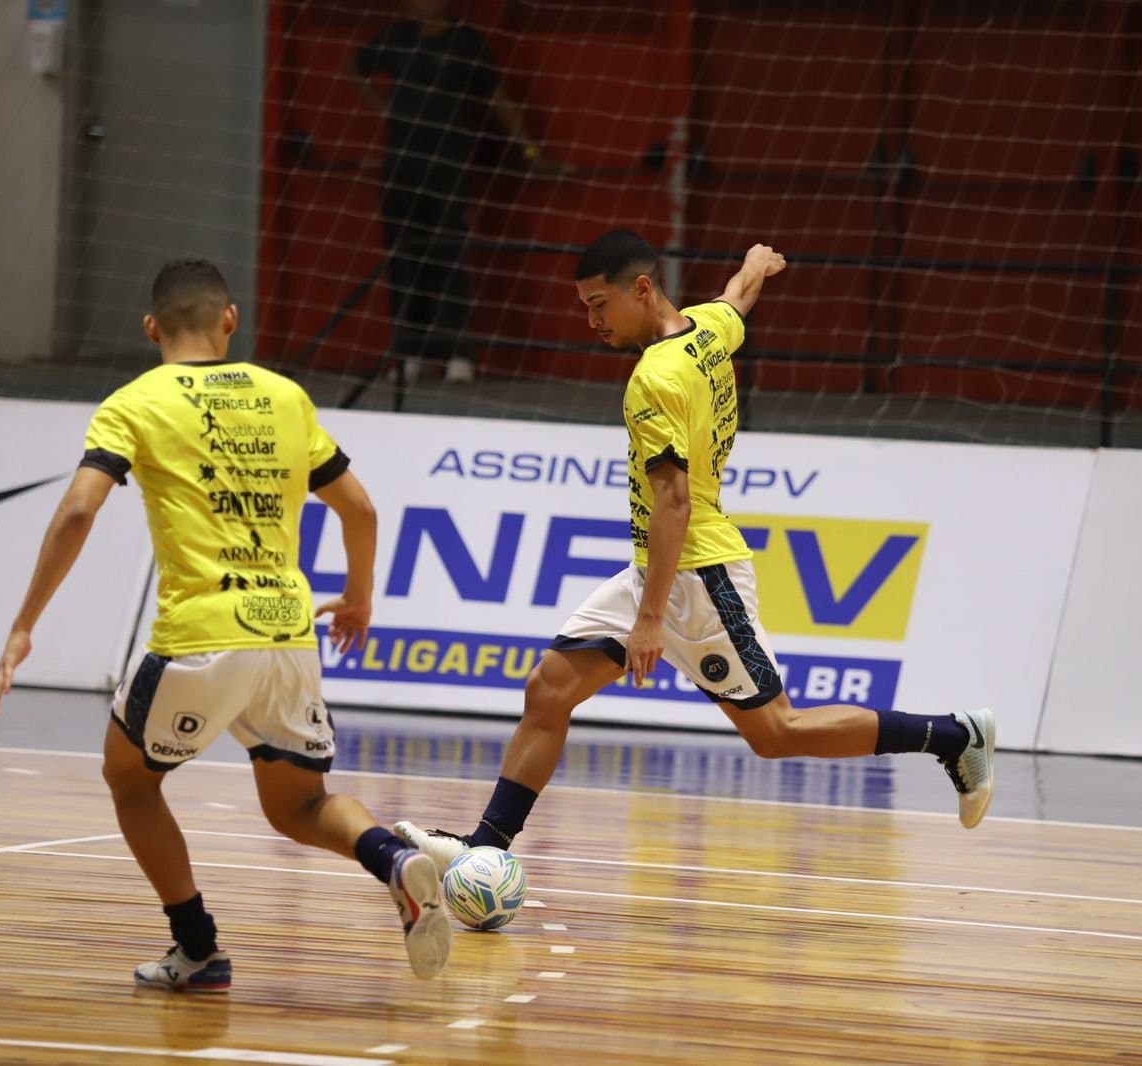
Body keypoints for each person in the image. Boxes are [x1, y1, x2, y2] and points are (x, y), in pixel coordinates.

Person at [393, 230, 996, 872]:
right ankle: (486, 848)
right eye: (584, 307)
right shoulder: (705, 330)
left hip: (699, 575)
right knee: (549, 691)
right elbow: (737, 302)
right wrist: (753, 266)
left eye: (600, 304)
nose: (591, 320)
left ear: (642, 289)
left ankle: (954, 736)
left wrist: (650, 619)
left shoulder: (653, 380)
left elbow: (673, 504)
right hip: (656, 570)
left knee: (776, 734)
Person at [0, 260, 451, 991]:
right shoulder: (285, 396)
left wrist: (24, 622)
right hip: (288, 636)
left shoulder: (134, 402)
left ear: (151, 328)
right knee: (300, 804)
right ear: (229, 319)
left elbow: (78, 510)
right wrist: (359, 597)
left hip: (202, 637)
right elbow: (359, 509)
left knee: (130, 779)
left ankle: (197, 949)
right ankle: (392, 860)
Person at [353, 0, 565, 385]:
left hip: (449, 166)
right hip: (401, 165)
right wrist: (385, 108)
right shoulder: (396, 39)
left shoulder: (466, 43)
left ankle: (457, 353)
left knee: (450, 259)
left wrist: (531, 151)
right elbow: (358, 69)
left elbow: (498, 99)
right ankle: (408, 353)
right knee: (404, 260)